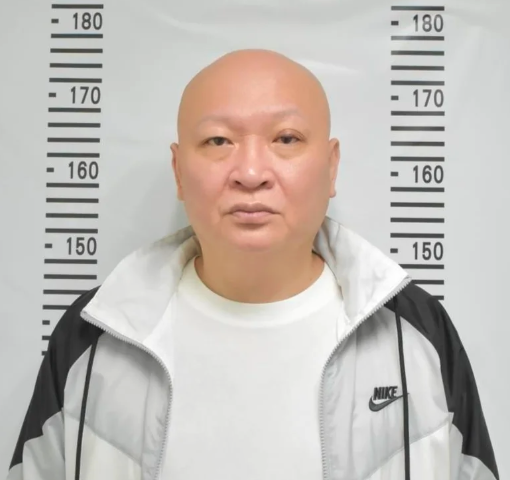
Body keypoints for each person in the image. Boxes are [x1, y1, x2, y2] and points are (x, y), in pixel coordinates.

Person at [6, 49, 498, 480]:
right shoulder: (94, 336)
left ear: (331, 168)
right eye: (218, 141)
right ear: (178, 171)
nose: (250, 173)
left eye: (286, 138)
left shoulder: (415, 334)